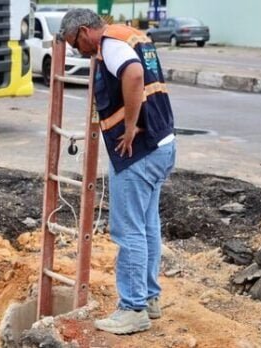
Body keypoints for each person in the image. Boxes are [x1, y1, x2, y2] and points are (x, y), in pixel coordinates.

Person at [59, 9, 176, 335]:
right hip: (162, 143)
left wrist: (128, 127)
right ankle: (150, 299)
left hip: (139, 152)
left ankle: (133, 308)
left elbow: (135, 75)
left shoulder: (110, 45)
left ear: (84, 31)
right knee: (147, 225)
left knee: (128, 231)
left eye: (75, 43)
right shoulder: (129, 34)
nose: (77, 51)